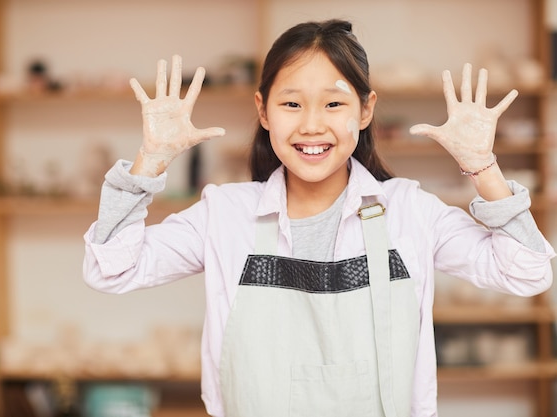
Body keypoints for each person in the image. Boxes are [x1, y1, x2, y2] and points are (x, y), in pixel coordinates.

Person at [83, 19, 554, 417]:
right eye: (291, 103)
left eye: (334, 104)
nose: (311, 125)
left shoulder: (409, 212)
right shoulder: (225, 215)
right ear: (263, 111)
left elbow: (529, 271)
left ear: (366, 110)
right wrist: (150, 160)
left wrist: (482, 166)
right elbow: (111, 268)